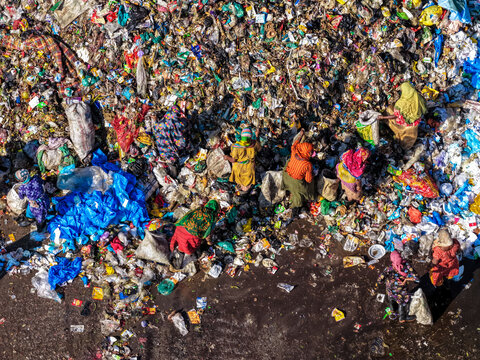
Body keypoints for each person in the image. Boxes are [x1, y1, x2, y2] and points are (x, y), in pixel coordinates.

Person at [169, 200, 220, 269]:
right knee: (189, 247)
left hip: (181, 227)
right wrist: (209, 242)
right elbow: (207, 234)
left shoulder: (199, 209)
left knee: (179, 241)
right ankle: (192, 257)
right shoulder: (212, 216)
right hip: (191, 235)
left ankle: (176, 259)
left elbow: (187, 215)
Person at [379, 82, 427, 149]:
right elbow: (424, 109)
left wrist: (383, 117)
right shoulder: (418, 97)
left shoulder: (403, 103)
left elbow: (395, 116)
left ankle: (403, 144)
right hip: (415, 121)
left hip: (407, 123)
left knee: (391, 113)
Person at [376, 250, 419, 323]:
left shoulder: (389, 268)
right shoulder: (406, 266)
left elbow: (380, 280)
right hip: (401, 290)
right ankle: (402, 317)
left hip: (390, 289)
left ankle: (392, 309)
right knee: (402, 302)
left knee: (391, 298)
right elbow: (417, 279)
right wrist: (406, 279)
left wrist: (385, 282)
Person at [282, 129, 315, 213]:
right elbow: (308, 180)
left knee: (288, 161)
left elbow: (295, 143)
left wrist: (300, 134)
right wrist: (312, 174)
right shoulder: (307, 164)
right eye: (310, 152)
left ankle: (286, 189)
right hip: (295, 182)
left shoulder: (294, 150)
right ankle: (297, 202)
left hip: (286, 176)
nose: (311, 154)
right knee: (310, 184)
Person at [224, 127, 261, 194]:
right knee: (247, 181)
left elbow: (233, 160)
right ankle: (246, 189)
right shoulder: (254, 144)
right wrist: (257, 135)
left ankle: (243, 189)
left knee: (239, 175)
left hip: (239, 168)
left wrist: (227, 157)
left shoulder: (236, 146)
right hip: (249, 167)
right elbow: (259, 148)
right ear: (250, 136)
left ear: (242, 135)